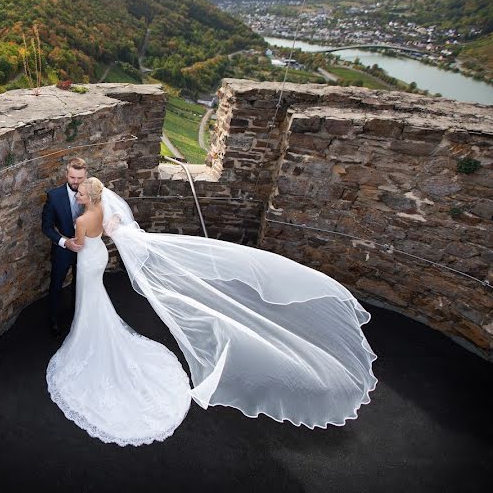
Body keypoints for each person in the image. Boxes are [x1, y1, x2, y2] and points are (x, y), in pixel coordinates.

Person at [46, 177, 378, 446]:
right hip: (100, 256)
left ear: (86, 197)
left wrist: (64, 241)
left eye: (79, 192)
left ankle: (87, 338)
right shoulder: (103, 208)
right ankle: (91, 330)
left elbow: (78, 244)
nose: (77, 195)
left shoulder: (82, 218)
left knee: (91, 299)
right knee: (95, 300)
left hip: (89, 259)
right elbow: (106, 231)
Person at [41, 157, 87, 335]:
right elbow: (46, 227)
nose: (75, 182)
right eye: (72, 177)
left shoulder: (92, 191)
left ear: (86, 175)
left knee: (81, 282)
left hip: (86, 248)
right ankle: (53, 319)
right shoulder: (54, 196)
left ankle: (78, 314)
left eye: (79, 178)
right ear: (66, 174)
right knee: (56, 284)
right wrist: (65, 242)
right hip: (63, 249)